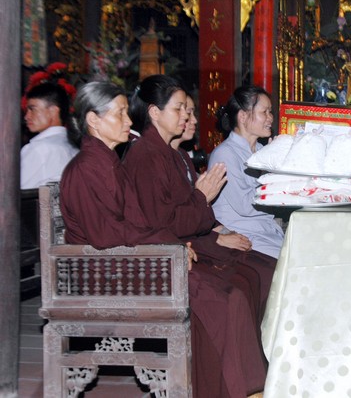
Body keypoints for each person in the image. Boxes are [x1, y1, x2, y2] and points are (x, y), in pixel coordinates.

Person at [61, 81, 264, 398]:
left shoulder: (107, 162)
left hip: (131, 260)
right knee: (221, 297)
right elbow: (107, 234)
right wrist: (169, 244)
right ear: (93, 120)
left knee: (228, 289)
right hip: (108, 272)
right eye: (120, 114)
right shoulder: (86, 168)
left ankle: (235, 388)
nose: (129, 121)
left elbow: (138, 223)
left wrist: (171, 242)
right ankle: (233, 389)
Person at [123, 75, 276, 397]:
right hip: (161, 257)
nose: (187, 117)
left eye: (188, 110)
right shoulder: (145, 157)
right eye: (179, 109)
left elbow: (189, 217)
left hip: (186, 244)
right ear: (154, 112)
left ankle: (258, 376)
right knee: (232, 294)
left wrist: (209, 220)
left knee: (253, 274)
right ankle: (232, 388)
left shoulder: (169, 153)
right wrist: (202, 199)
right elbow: (162, 223)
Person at [209, 86, 284, 259]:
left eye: (270, 112)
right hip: (244, 236)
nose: (270, 118)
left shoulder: (262, 150)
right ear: (243, 116)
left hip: (268, 232)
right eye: (264, 112)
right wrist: (273, 176)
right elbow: (245, 206)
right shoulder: (225, 154)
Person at [21, 82, 78, 189]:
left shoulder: (38, 149)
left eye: (32, 109)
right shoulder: (75, 147)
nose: (27, 116)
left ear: (53, 111)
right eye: (27, 111)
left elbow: (13, 194)